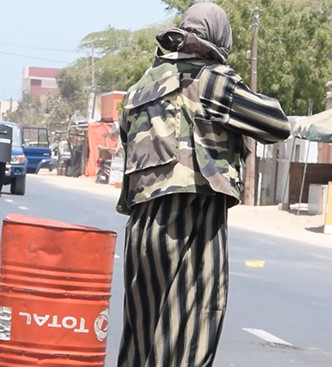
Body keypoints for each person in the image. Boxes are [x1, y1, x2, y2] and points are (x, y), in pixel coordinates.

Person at [115, 3, 290, 367]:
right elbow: (276, 123)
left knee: (142, 339)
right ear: (219, 39)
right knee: (191, 331)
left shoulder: (139, 88)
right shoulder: (212, 80)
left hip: (141, 225)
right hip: (193, 218)